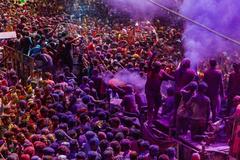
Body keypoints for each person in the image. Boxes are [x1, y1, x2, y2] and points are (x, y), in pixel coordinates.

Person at [145, 52, 174, 122]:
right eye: (157, 68)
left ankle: (154, 117)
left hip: (157, 91)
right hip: (149, 91)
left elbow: (170, 78)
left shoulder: (162, 72)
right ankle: (149, 119)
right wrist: (153, 56)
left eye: (159, 68)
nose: (158, 69)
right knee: (151, 106)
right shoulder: (150, 70)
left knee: (158, 104)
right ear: (154, 67)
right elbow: (149, 63)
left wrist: (177, 77)